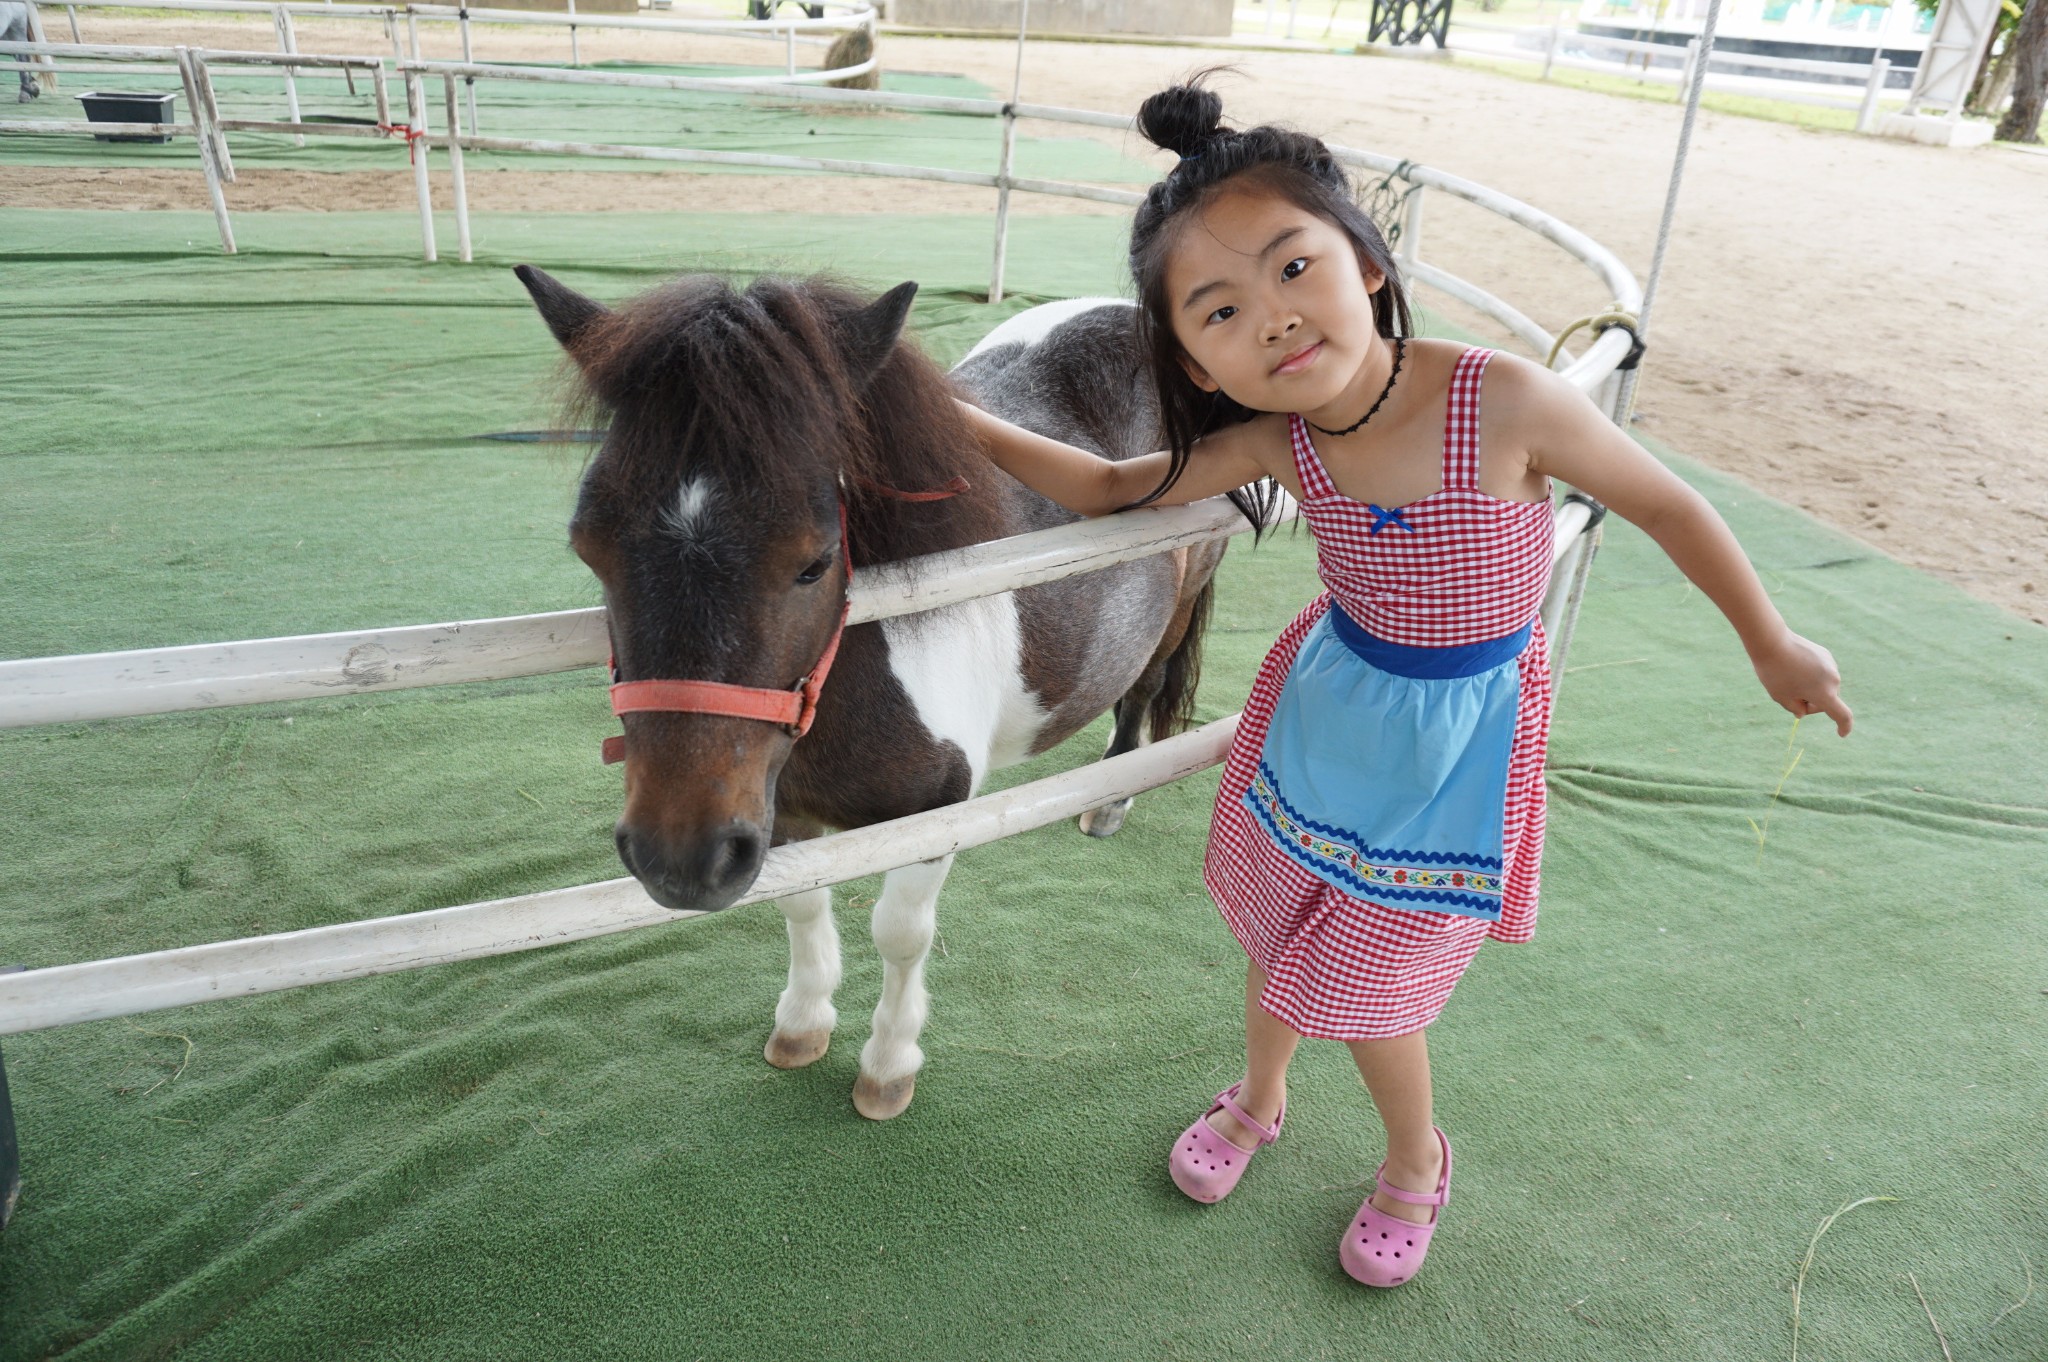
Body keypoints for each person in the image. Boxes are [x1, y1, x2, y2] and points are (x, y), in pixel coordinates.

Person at [955, 76, 1852, 1287]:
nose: (1269, 318)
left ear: (1366, 261)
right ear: (1194, 363)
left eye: (1290, 268)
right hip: (1328, 710)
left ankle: (1414, 1159)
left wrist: (1768, 641)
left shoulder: (1502, 400)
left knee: (1377, 989)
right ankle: (1258, 1098)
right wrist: (949, 416)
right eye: (1216, 311)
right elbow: (1113, 488)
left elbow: (1663, 502)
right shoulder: (1280, 437)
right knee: (1283, 928)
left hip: (1456, 745)